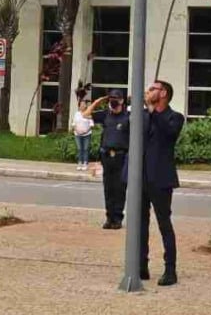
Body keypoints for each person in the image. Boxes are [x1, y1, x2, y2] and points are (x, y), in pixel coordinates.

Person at [133, 79, 184, 287]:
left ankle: (170, 269)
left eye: (152, 89)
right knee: (139, 223)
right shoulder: (143, 116)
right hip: (140, 178)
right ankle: (141, 265)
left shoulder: (175, 117)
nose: (148, 91)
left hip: (161, 178)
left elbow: (168, 134)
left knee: (164, 224)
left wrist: (154, 111)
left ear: (163, 93)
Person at [88, 88, 129, 229]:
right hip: (106, 156)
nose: (113, 102)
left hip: (121, 156)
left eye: (116, 99)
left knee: (119, 188)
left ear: (122, 100)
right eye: (111, 99)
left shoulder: (128, 117)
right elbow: (86, 115)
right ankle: (109, 218)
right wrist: (97, 102)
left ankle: (117, 218)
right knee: (108, 188)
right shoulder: (106, 115)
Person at [72, 99, 95, 171]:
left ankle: (85, 163)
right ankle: (79, 163)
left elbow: (91, 125)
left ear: (86, 106)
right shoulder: (76, 114)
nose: (82, 106)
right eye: (81, 104)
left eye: (84, 104)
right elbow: (73, 124)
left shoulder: (88, 113)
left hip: (87, 134)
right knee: (79, 149)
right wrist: (77, 130)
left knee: (85, 149)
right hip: (77, 134)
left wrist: (85, 131)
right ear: (79, 106)